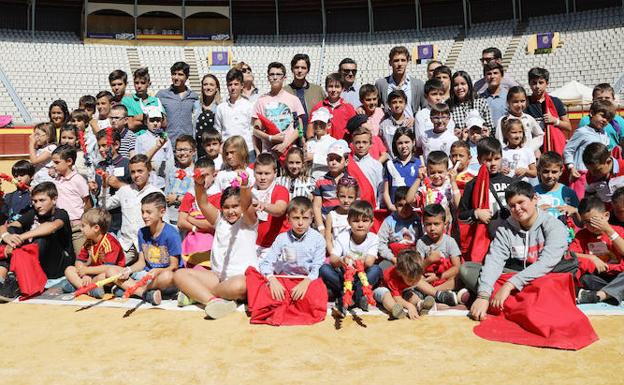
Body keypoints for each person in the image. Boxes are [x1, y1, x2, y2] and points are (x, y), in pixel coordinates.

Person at [461, 181, 573, 321]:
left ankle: (508, 302)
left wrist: (509, 285)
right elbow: (494, 260)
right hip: (516, 275)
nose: (517, 209)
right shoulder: (505, 229)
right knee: (467, 269)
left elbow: (547, 262)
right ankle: (515, 302)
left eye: (521, 202)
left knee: (549, 285)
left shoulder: (554, 225)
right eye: (512, 206)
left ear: (535, 199)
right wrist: (483, 296)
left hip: (543, 277)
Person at [173, 169, 258, 319]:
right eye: (226, 207)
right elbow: (203, 202)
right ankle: (213, 301)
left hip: (241, 280)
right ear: (221, 208)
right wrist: (199, 184)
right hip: (218, 279)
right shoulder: (219, 220)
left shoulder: (249, 221)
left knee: (240, 285)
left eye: (235, 206)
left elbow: (247, 204)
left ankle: (197, 295)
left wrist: (244, 186)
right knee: (180, 275)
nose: (231, 211)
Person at [0, 182, 74, 301]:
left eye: (42, 200)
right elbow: (7, 226)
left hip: (59, 264)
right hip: (37, 260)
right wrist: (7, 236)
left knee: (42, 238)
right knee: (11, 235)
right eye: (34, 201)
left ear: (54, 200)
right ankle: (1, 279)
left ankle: (17, 281)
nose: (38, 205)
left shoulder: (61, 213)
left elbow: (52, 227)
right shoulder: (32, 213)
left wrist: (21, 237)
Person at [256, 196, 326, 315]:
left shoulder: (318, 239)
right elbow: (266, 263)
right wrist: (271, 279)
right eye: (296, 218)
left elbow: (317, 267)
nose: (300, 223)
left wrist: (306, 282)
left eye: (305, 218)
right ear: (288, 219)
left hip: (307, 281)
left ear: (312, 219)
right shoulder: (281, 238)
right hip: (284, 281)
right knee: (262, 291)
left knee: (315, 300)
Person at [108, 192, 181, 306]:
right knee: (112, 271)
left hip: (163, 277)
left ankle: (133, 290)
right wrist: (129, 270)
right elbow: (141, 263)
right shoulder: (142, 232)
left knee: (167, 277)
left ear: (162, 212)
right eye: (142, 212)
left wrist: (158, 271)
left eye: (149, 212)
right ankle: (144, 293)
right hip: (145, 275)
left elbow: (174, 266)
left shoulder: (171, 234)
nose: (144, 216)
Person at [320, 200, 383, 314]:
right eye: (355, 221)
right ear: (348, 221)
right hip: (344, 277)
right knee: (324, 269)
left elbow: (369, 262)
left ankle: (348, 297)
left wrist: (357, 263)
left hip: (361, 278)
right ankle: (357, 298)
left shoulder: (373, 238)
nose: (360, 224)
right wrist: (342, 260)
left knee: (376, 270)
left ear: (371, 223)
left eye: (365, 221)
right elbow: (333, 259)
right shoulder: (342, 236)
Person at [102, 155, 166, 265]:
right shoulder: (125, 190)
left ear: (149, 170)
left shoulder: (156, 193)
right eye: (133, 172)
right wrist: (105, 187)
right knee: (110, 268)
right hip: (126, 244)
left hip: (148, 244)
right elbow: (105, 205)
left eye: (140, 171)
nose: (136, 175)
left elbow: (164, 222)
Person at [62, 208, 125, 299]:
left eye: (83, 226)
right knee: (69, 269)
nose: (80, 229)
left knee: (104, 276)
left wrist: (87, 271)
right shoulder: (89, 241)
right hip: (92, 273)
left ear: (96, 228)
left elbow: (108, 268)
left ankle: (78, 286)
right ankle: (88, 289)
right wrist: (84, 274)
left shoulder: (110, 243)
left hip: (110, 274)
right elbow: (79, 261)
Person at [458, 137, 514, 236]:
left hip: (511, 236)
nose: (493, 164)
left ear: (502, 157)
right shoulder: (472, 184)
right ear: (479, 160)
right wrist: (476, 213)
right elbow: (461, 216)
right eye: (488, 160)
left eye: (497, 159)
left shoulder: (511, 182)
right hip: (485, 239)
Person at [575, 200, 624, 305]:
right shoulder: (582, 235)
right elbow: (570, 254)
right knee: (584, 278)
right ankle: (612, 293)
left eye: (594, 220)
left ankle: (598, 296)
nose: (591, 225)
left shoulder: (618, 231)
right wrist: (591, 258)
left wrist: (609, 231)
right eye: (586, 222)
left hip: (619, 276)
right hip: (598, 278)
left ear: (606, 216)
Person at [563, 100, 615, 198]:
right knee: (580, 202)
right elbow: (568, 150)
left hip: (599, 175)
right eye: (602, 116)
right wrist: (571, 167)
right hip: (582, 174)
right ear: (591, 113)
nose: (605, 121)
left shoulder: (604, 134)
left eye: (608, 119)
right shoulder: (582, 132)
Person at [252, 62, 304, 158]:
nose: (275, 77)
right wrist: (270, 138)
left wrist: (285, 145)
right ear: (268, 78)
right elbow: (255, 131)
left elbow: (299, 128)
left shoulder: (293, 99)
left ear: (284, 77)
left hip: (289, 153)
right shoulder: (261, 101)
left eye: (278, 74)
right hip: (269, 153)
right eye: (272, 74)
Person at [415, 204, 463, 299]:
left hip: (444, 279)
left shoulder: (450, 241)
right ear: (423, 225)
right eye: (428, 224)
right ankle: (440, 295)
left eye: (436, 224)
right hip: (427, 280)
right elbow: (417, 269)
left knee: (459, 278)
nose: (432, 228)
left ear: (445, 224)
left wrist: (438, 277)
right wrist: (428, 260)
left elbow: (457, 267)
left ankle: (431, 293)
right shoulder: (421, 242)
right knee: (415, 279)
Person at [373, 249, 435, 320]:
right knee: (386, 295)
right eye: (411, 280)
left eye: (417, 278)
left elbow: (417, 283)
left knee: (410, 295)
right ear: (400, 273)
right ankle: (395, 309)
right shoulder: (391, 277)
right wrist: (409, 306)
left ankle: (420, 304)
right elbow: (397, 298)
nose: (414, 282)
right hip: (382, 289)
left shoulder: (412, 272)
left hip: (401, 291)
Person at [51, 145, 91, 255]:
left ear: (69, 161)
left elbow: (87, 203)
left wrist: (84, 222)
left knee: (81, 255)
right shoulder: (56, 180)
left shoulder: (78, 179)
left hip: (76, 227)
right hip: (61, 225)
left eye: (57, 162)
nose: (53, 166)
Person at [251, 153, 289, 259]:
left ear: (275, 173)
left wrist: (262, 205)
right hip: (254, 244)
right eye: (259, 173)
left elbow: (280, 210)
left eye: (267, 173)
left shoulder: (280, 190)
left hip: (276, 246)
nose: (262, 177)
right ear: (253, 173)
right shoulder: (249, 191)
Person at [93, 129, 130, 235]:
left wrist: (119, 184)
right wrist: (95, 189)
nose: (101, 149)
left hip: (121, 219)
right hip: (104, 219)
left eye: (104, 145)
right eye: (99, 146)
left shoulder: (126, 164)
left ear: (116, 145)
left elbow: (136, 190)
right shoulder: (100, 166)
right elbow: (99, 193)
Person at [377, 186, 422, 270]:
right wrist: (392, 258)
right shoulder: (389, 221)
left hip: (413, 258)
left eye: (407, 205)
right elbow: (380, 243)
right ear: (395, 205)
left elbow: (422, 240)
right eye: (400, 205)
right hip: (394, 257)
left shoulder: (418, 221)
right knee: (381, 268)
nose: (404, 209)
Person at [375, 46, 426, 119]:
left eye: (403, 60)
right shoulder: (381, 84)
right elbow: (374, 107)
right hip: (389, 128)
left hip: (411, 128)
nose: (400, 64)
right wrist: (362, 108)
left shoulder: (418, 84)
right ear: (390, 62)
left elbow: (425, 109)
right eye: (396, 60)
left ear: (407, 62)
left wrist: (415, 120)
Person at [214, 68, 254, 162]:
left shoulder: (249, 106)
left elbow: (252, 130)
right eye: (230, 84)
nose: (233, 87)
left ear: (242, 86)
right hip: (228, 153)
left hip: (247, 151)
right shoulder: (221, 108)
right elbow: (218, 130)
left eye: (236, 84)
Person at [156, 62, 199, 144]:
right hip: (168, 144)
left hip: (188, 145)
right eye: (174, 74)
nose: (176, 77)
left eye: (180, 74)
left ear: (187, 77)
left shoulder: (194, 97)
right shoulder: (161, 95)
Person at [313, 140, 350, 232]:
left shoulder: (351, 181)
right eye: (331, 159)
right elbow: (317, 207)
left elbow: (354, 204)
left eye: (338, 159)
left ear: (346, 162)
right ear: (327, 161)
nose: (333, 162)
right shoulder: (320, 181)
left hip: (345, 225)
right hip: (326, 225)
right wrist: (321, 228)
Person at [307, 73, 356, 141]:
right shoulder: (318, 108)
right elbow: (310, 131)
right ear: (326, 88)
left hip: (342, 148)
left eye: (337, 86)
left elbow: (355, 131)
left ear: (342, 89)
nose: (333, 90)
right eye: (330, 86)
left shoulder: (348, 108)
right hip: (322, 148)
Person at [494, 86, 544, 153]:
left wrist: (530, 148)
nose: (519, 105)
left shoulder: (528, 118)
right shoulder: (504, 120)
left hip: (527, 158)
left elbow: (540, 135)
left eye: (522, 101)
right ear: (508, 102)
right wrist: (508, 152)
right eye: (515, 102)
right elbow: (499, 140)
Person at [526, 67, 572, 136]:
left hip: (551, 144)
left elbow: (568, 127)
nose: (537, 86)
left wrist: (555, 121)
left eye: (541, 82)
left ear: (547, 83)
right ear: (529, 83)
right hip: (533, 145)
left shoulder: (556, 101)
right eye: (534, 83)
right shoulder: (524, 102)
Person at [136, 106, 174, 189]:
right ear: (146, 122)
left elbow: (170, 159)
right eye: (152, 120)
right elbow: (137, 160)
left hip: (162, 181)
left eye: (158, 120)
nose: (155, 123)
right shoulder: (140, 139)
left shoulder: (165, 139)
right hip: (147, 182)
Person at [284, 53, 325, 128]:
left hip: (314, 135)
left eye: (303, 68)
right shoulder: (284, 91)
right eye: (296, 67)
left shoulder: (318, 90)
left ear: (308, 70)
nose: (299, 70)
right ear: (292, 69)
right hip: (291, 135)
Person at [383, 127, 421, 209]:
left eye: (407, 142)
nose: (404, 146)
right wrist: (390, 206)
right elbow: (385, 191)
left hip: (414, 210)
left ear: (413, 142)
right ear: (395, 144)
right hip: (395, 210)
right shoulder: (390, 165)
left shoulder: (420, 164)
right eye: (400, 143)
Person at [578, 83, 624, 150]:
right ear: (593, 100)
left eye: (607, 98)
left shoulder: (619, 120)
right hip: (592, 158)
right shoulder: (585, 120)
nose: (603, 100)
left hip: (614, 159)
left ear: (613, 99)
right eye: (599, 98)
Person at [534, 151, 579, 220]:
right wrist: (535, 212)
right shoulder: (532, 192)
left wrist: (575, 211)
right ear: (539, 170)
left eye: (554, 172)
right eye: (545, 171)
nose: (549, 176)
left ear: (561, 172)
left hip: (564, 230)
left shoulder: (569, 192)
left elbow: (580, 224)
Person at [163, 135, 197, 224]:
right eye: (178, 150)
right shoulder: (171, 169)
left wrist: (177, 198)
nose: (182, 153)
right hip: (169, 217)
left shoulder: (197, 172)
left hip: (188, 218)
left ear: (194, 151)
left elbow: (198, 198)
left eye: (185, 149)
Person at [414, 78, 456, 145]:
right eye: (434, 94)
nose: (438, 98)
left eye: (441, 94)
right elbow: (420, 141)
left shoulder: (448, 113)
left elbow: (451, 134)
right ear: (426, 96)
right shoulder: (421, 115)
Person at [122, 67, 164, 131]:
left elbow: (164, 123)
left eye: (142, 83)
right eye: (136, 83)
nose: (139, 86)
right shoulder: (127, 101)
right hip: (135, 139)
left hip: (154, 139)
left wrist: (137, 118)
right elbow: (131, 124)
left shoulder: (156, 100)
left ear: (149, 84)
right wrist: (153, 117)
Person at [324, 177, 358, 255]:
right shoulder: (332, 215)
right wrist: (333, 255)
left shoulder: (357, 214)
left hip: (354, 255)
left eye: (350, 197)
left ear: (355, 197)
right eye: (342, 196)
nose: (346, 201)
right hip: (337, 256)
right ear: (337, 195)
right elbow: (328, 239)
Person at [350, 125, 384, 206]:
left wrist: (378, 206)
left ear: (370, 144)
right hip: (351, 207)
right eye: (357, 142)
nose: (361, 146)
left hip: (370, 207)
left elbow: (381, 189)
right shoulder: (347, 163)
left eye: (364, 142)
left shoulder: (377, 165)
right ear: (352, 144)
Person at [305, 107, 337, 181]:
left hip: (327, 179)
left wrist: (314, 157)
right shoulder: (309, 142)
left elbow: (335, 161)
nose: (318, 126)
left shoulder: (333, 142)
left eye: (322, 124)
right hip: (310, 179)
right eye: (316, 123)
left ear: (328, 125)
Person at [0, 160, 34, 225]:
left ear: (31, 176)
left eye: (22, 175)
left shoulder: (35, 195)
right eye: (16, 176)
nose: (18, 179)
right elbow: (3, 216)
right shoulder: (9, 196)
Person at [379, 90, 410, 158]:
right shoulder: (383, 125)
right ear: (389, 105)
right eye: (394, 102)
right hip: (390, 162)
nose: (397, 105)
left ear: (405, 104)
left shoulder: (410, 124)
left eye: (400, 102)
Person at [479, 61, 508, 125]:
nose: (492, 76)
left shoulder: (509, 96)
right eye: (489, 74)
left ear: (502, 76)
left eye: (495, 73)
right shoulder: (479, 99)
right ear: (485, 77)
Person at [29, 122, 57, 187]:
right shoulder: (40, 148)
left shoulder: (51, 147)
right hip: (37, 181)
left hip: (46, 182)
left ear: (48, 136)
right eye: (35, 134)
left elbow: (34, 161)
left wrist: (31, 144)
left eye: (38, 134)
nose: (35, 137)